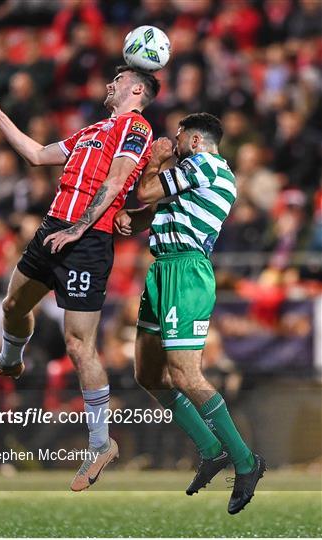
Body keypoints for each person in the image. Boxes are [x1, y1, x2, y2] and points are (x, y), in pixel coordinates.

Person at [0, 66, 160, 491]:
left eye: (119, 79)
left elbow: (116, 181)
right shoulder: (91, 130)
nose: (110, 82)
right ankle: (10, 361)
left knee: (78, 344)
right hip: (53, 228)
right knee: (13, 306)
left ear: (137, 89)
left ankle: (101, 443)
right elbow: (35, 154)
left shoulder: (136, 127)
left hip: (87, 242)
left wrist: (78, 228)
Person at [114, 113, 266, 514]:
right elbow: (161, 207)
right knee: (148, 373)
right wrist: (138, 219)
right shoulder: (198, 172)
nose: (172, 142)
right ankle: (211, 449)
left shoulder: (203, 164)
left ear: (196, 141)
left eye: (178, 137)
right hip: (163, 268)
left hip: (187, 271)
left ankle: (247, 462)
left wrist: (155, 159)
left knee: (185, 373)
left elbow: (147, 190)